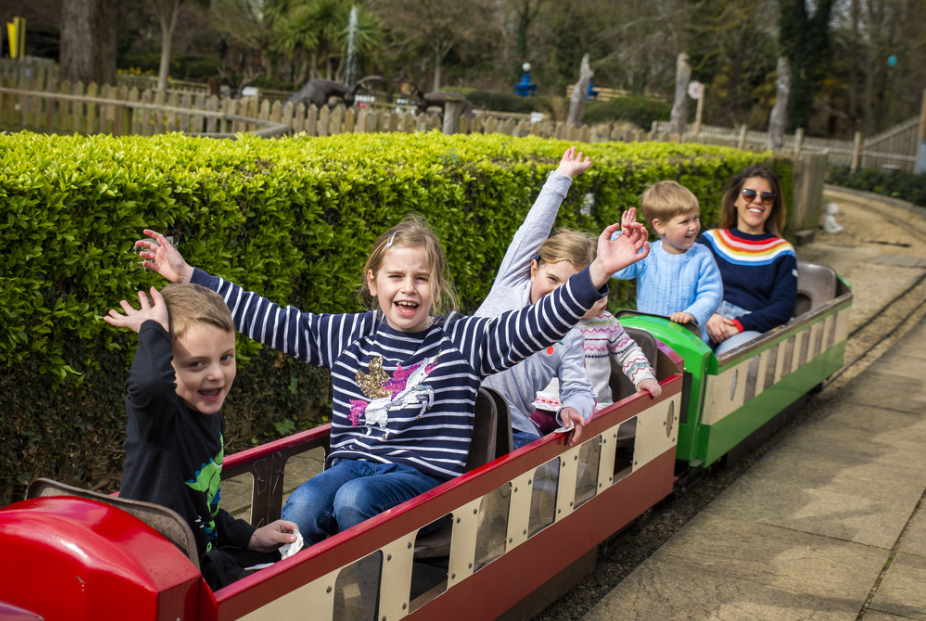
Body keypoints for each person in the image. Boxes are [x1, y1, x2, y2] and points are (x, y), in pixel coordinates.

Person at [134, 213, 649, 547]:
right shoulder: (347, 334)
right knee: (311, 500)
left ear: (437, 286)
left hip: (424, 477)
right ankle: (280, 585)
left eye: (421, 278)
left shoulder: (463, 338)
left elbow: (533, 323)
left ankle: (364, 604)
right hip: (356, 464)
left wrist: (597, 274)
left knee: (354, 500)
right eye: (397, 277)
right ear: (373, 281)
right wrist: (190, 277)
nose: (409, 288)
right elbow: (276, 320)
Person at [104, 282, 299, 590]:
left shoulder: (209, 416)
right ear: (167, 366)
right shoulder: (159, 420)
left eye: (226, 357)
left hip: (197, 561)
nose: (217, 374)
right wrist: (153, 330)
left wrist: (249, 536)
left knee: (291, 563)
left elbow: (201, 510)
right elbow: (149, 385)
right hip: (161, 577)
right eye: (197, 363)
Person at [475, 147, 596, 449]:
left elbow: (579, 389)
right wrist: (563, 176)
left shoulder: (570, 336)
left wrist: (574, 409)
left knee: (540, 463)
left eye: (568, 289)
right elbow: (532, 231)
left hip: (508, 424)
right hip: (453, 407)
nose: (557, 293)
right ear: (533, 269)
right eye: (552, 279)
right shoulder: (510, 284)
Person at [699, 164, 797, 355]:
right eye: (749, 194)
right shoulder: (710, 240)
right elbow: (690, 285)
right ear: (735, 200)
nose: (758, 201)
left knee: (728, 364)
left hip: (747, 328)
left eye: (767, 197)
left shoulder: (782, 252)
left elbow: (783, 307)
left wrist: (739, 325)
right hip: (706, 318)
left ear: (773, 205)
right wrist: (709, 315)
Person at [610, 181, 723, 342]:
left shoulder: (702, 256)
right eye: (685, 221)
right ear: (660, 226)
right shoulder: (647, 253)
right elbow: (619, 270)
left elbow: (711, 293)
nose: (693, 226)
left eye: (695, 218)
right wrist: (624, 240)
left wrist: (692, 314)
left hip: (688, 338)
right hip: (650, 337)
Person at [577, 294, 660, 409]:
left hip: (596, 407)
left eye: (603, 286)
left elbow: (628, 352)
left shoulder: (606, 322)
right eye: (590, 289)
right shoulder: (547, 320)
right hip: (547, 405)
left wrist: (644, 376)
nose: (602, 297)